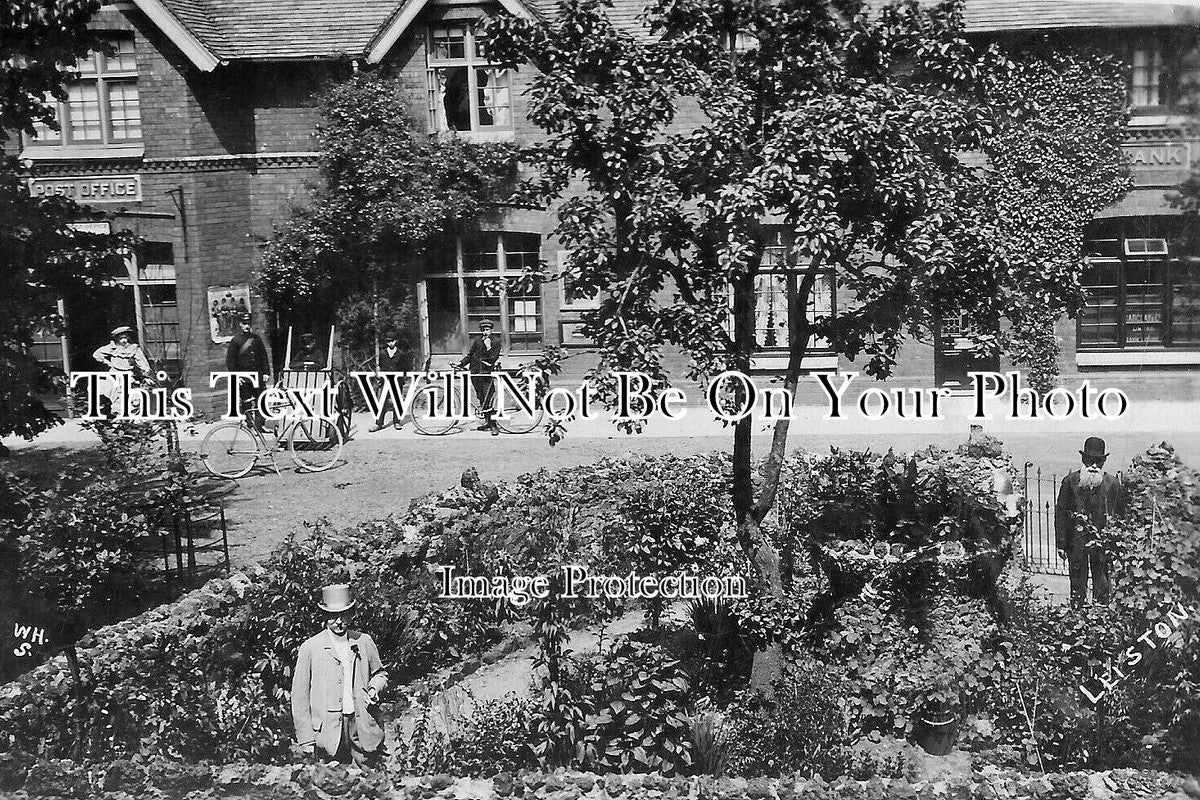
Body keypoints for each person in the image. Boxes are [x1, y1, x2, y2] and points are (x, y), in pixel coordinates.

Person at [291, 584, 388, 766]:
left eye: (343, 615)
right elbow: (300, 696)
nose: (339, 621)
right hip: (327, 731)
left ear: (350, 615)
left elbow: (380, 673)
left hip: (360, 724)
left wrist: (374, 688)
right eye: (333, 617)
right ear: (325, 616)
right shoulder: (311, 647)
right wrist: (306, 738)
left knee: (369, 781)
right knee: (331, 783)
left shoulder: (364, 641)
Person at [1055, 436, 1126, 606]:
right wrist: (1061, 544)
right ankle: (1077, 615)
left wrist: (1116, 545)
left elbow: (1120, 515)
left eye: (1098, 462)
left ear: (1103, 461)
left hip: (1102, 544)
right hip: (1076, 542)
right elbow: (1061, 513)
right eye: (1090, 461)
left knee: (1102, 583)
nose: (1094, 466)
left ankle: (1100, 615)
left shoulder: (1112, 484)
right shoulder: (1071, 481)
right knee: (1077, 582)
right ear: (1083, 459)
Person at [92, 326, 152, 416]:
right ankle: (115, 413)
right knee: (113, 393)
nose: (124, 340)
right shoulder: (112, 348)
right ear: (117, 339)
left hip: (127, 374)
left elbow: (141, 360)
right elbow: (97, 354)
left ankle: (128, 413)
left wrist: (146, 371)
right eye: (121, 338)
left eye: (125, 337)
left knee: (128, 394)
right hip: (115, 373)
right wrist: (107, 362)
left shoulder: (133, 348)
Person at [458, 319, 501, 435]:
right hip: (475, 373)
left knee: (488, 399)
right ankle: (487, 422)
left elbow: (493, 358)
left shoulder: (496, 341)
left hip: (487, 374)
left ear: (491, 330)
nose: (485, 332)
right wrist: (460, 364)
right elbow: (470, 355)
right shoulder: (477, 340)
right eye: (483, 330)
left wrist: (488, 347)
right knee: (481, 398)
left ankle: (494, 426)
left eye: (487, 330)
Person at [225, 313, 271, 423]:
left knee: (261, 399)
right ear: (240, 324)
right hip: (244, 377)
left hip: (258, 376)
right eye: (244, 324)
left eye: (248, 323)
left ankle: (260, 424)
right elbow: (230, 361)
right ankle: (250, 424)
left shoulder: (256, 339)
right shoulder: (236, 340)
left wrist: (266, 372)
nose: (247, 326)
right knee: (247, 401)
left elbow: (263, 356)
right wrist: (236, 376)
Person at [370, 330, 410, 432]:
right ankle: (378, 423)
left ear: (396, 341)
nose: (390, 343)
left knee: (397, 402)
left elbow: (405, 368)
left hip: (397, 381)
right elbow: (380, 367)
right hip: (386, 381)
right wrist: (380, 378)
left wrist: (403, 380)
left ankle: (397, 422)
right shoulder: (383, 354)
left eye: (392, 341)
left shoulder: (401, 354)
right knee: (382, 402)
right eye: (388, 341)